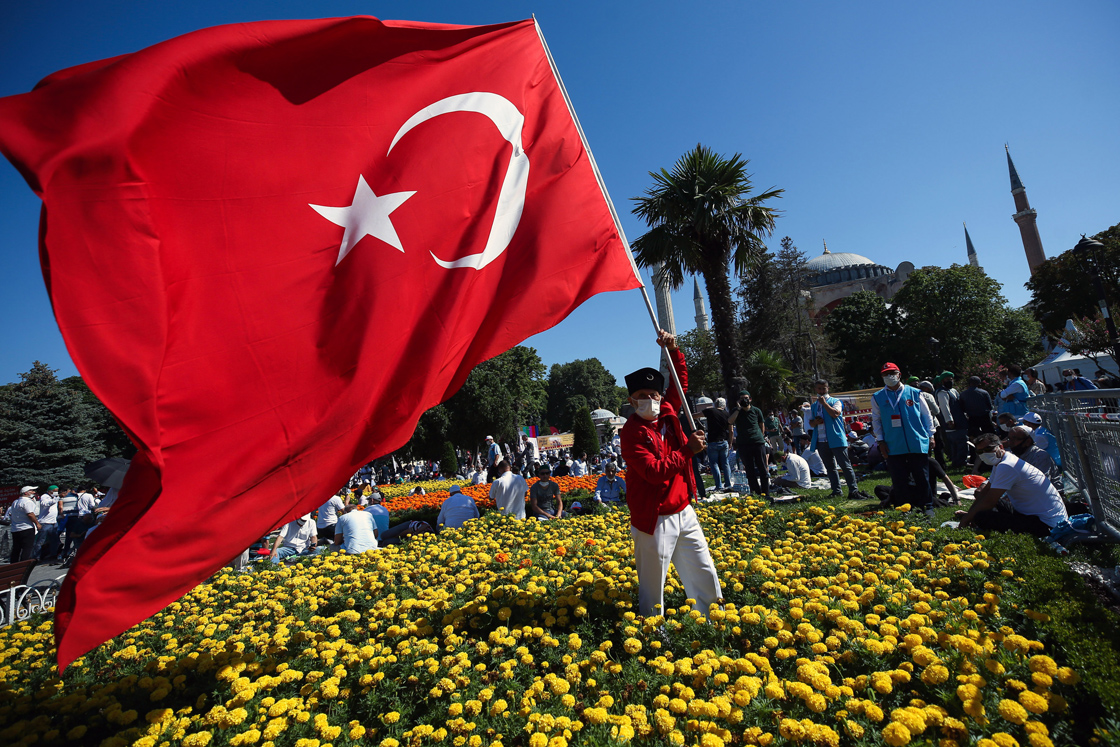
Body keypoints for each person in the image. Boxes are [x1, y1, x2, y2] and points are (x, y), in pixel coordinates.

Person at [621, 330, 721, 619]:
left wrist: (674, 350)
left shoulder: (667, 410)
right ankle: (653, 631)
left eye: (653, 394)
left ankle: (715, 619)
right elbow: (653, 472)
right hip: (654, 517)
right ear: (632, 400)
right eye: (642, 396)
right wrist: (688, 451)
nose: (649, 399)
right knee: (654, 586)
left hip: (682, 508)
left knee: (703, 569)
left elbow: (680, 384)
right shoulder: (631, 433)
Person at [955, 433, 1069, 537]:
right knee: (981, 502)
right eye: (979, 452)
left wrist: (966, 520)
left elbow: (989, 501)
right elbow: (985, 492)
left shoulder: (1007, 465)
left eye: (988, 449)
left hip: (1046, 524)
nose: (984, 454)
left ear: (1000, 447)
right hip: (1030, 514)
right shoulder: (1002, 461)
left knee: (982, 517)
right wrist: (969, 514)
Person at [871, 362, 936, 517]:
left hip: (916, 440)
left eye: (892, 373)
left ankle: (927, 506)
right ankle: (904, 508)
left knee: (921, 476)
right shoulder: (878, 397)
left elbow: (926, 415)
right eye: (886, 374)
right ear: (882, 377)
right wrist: (880, 441)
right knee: (899, 478)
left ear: (899, 374)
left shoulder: (914, 393)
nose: (889, 376)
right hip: (893, 443)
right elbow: (876, 420)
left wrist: (931, 435)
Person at [808, 379, 872, 500]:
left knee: (845, 466)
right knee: (830, 467)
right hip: (821, 440)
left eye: (824, 388)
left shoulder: (835, 401)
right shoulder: (814, 406)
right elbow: (811, 423)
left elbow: (835, 414)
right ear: (816, 389)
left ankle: (853, 490)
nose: (821, 391)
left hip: (836, 439)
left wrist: (825, 404)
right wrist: (815, 422)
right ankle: (836, 491)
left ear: (828, 389)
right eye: (819, 389)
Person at [729, 390, 769, 497]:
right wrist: (738, 408)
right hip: (743, 444)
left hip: (757, 442)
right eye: (742, 398)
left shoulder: (756, 411)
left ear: (750, 399)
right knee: (749, 470)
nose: (744, 400)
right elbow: (730, 421)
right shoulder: (735, 411)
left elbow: (762, 425)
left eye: (746, 398)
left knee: (762, 468)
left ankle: (766, 493)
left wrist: (760, 436)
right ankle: (755, 492)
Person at [934, 373, 969, 468]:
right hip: (953, 423)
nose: (950, 381)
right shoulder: (942, 392)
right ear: (942, 381)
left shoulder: (953, 391)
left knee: (960, 442)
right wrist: (949, 420)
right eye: (947, 379)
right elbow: (944, 408)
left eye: (951, 379)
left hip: (960, 420)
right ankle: (959, 462)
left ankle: (959, 461)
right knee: (958, 443)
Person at [701, 398, 733, 493]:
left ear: (715, 404)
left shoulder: (710, 411)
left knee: (714, 464)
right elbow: (731, 430)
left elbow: (695, 416)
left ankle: (718, 485)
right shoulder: (727, 415)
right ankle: (728, 484)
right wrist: (730, 442)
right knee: (725, 463)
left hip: (713, 441)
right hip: (724, 441)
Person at [9, 486, 41, 563]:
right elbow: (30, 514)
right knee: (27, 548)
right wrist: (37, 523)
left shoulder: (15, 501)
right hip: (26, 528)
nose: (34, 492)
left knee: (16, 548)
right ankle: (24, 564)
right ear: (26, 492)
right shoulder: (27, 501)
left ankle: (13, 564)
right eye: (32, 491)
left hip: (15, 528)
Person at [33, 486, 61, 563]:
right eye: (55, 491)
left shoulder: (55, 497)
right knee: (40, 541)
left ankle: (53, 554)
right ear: (50, 491)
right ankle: (37, 557)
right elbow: (45, 504)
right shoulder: (44, 497)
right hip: (45, 522)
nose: (56, 492)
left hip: (53, 522)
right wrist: (55, 499)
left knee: (54, 540)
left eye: (57, 491)